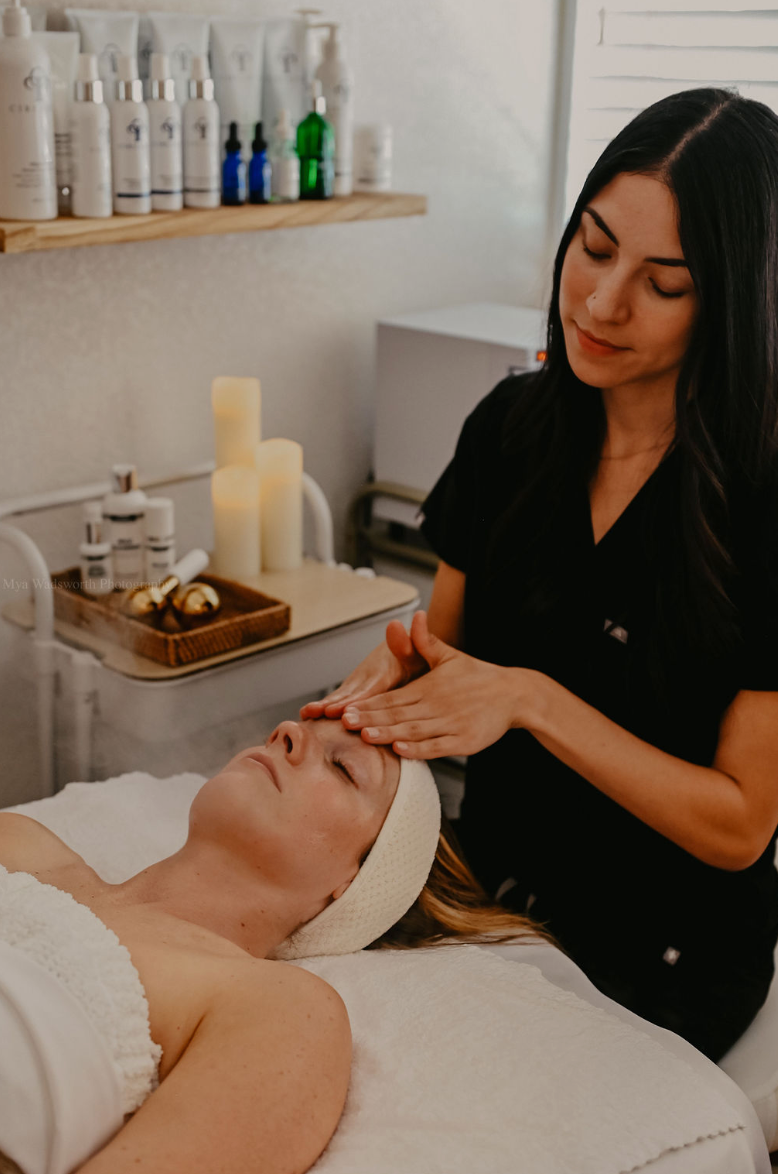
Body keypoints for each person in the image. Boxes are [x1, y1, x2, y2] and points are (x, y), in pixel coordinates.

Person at [302, 87, 778, 1063]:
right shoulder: (512, 429)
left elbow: (738, 825)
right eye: (594, 247)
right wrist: (392, 682)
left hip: (664, 948)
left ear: (733, 297)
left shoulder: (761, 503)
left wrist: (532, 700)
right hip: (488, 892)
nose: (601, 303)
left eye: (664, 281)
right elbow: (449, 653)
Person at [0, 718, 544, 1174]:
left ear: (354, 882)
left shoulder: (279, 1009)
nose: (286, 731)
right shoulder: (21, 843)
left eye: (342, 766)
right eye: (302, 724)